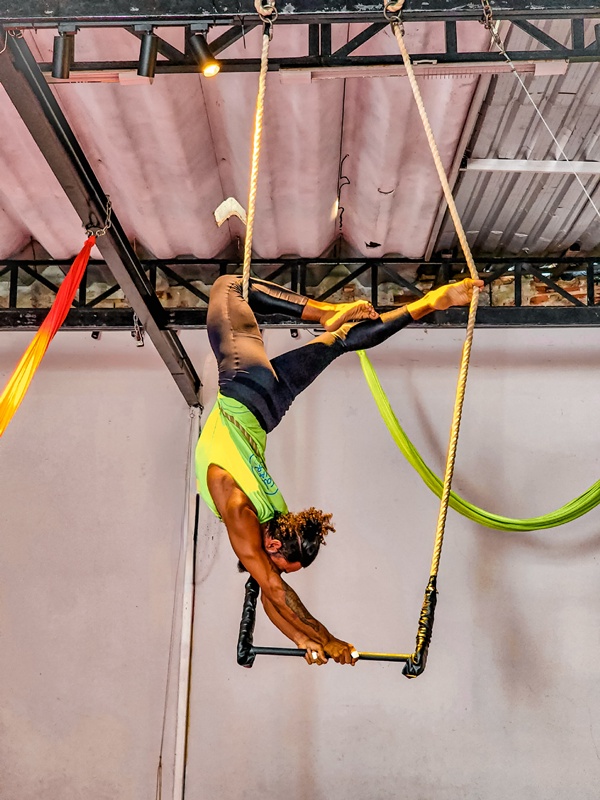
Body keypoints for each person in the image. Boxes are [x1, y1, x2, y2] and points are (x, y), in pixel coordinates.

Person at [196, 274, 482, 666]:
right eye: (280, 567)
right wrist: (328, 639)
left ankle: (432, 302)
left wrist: (304, 639)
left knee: (343, 341)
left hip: (269, 405)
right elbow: (275, 591)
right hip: (245, 387)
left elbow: (272, 594)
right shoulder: (241, 512)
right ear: (274, 546)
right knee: (228, 285)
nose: (275, 573)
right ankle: (329, 312)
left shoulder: (273, 514)